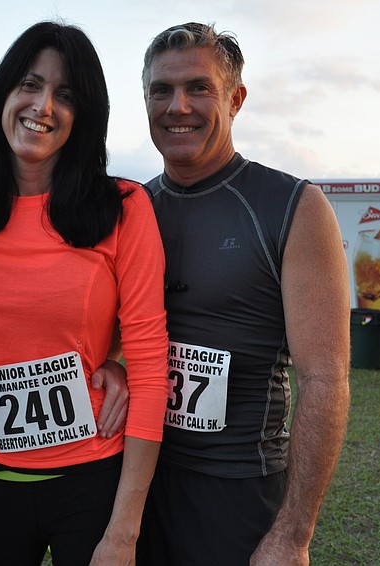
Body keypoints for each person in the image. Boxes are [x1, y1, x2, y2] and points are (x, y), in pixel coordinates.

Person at [0, 21, 169, 566]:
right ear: (1, 94)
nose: (43, 105)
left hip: (92, 482)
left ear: (84, 116)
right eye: (29, 83)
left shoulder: (124, 207)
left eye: (65, 94)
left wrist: (124, 530)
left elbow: (148, 359)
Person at [135, 22, 351, 566]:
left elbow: (325, 380)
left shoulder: (292, 207)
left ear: (236, 99)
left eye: (198, 88)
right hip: (135, 480)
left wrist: (293, 534)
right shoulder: (131, 209)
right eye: (161, 90)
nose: (177, 105)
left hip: (237, 490)